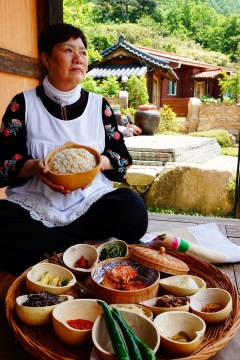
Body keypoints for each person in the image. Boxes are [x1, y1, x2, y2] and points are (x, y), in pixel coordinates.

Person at [0, 23, 148, 276]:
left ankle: (48, 251)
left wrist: (97, 163)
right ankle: (89, 248)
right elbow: (3, 163)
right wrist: (35, 166)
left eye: (83, 52)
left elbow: (121, 158)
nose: (78, 58)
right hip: (35, 205)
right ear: (46, 59)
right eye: (68, 50)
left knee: (132, 208)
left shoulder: (100, 106)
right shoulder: (22, 104)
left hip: (90, 206)